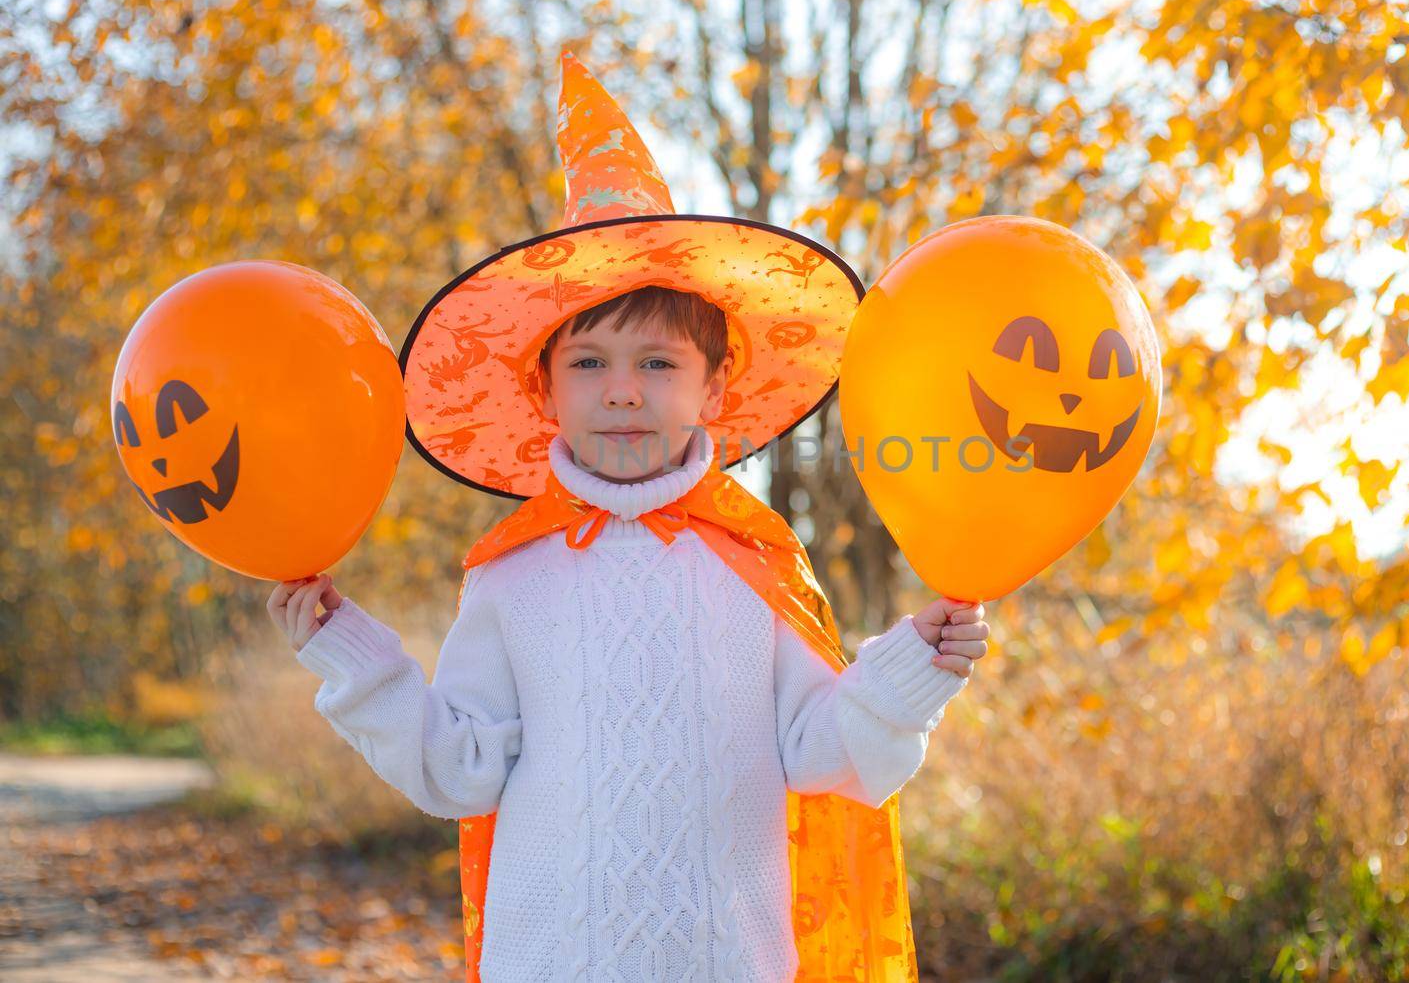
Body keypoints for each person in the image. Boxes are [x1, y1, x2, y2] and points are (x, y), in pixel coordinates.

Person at [266, 49, 992, 982]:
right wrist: (350, 653)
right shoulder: (511, 573)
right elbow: (460, 767)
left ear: (714, 384)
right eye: (590, 363)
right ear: (544, 386)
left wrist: (910, 668)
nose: (621, 392)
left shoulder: (755, 559)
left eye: (657, 364)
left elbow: (822, 752)